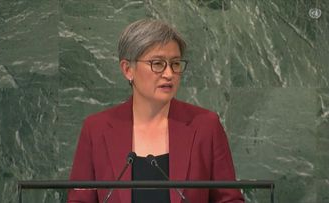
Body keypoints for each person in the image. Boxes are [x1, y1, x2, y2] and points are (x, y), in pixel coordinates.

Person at [67, 19, 244, 203]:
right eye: (157, 63)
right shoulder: (96, 129)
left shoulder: (205, 126)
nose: (169, 74)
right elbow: (80, 200)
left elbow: (229, 200)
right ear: (128, 69)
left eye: (175, 64)